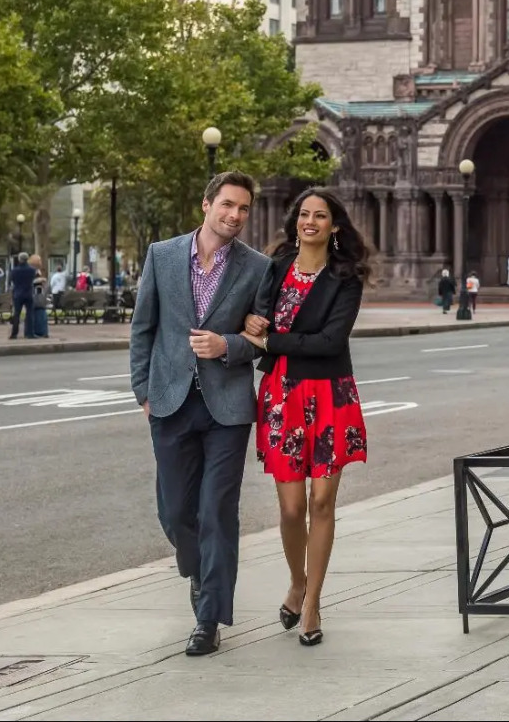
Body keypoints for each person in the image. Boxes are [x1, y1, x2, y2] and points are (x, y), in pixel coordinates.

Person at [128, 172, 272, 657]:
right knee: (175, 513)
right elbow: (143, 327)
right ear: (207, 204)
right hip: (168, 404)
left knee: (216, 512)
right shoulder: (162, 255)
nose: (235, 216)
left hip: (227, 410)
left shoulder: (258, 268)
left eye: (244, 209)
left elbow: (259, 340)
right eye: (228, 205)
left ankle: (208, 618)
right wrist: (141, 390)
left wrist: (226, 345)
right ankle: (195, 567)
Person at [242, 188, 369, 648]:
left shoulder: (346, 276)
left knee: (322, 504)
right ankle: (297, 580)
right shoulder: (275, 268)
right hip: (281, 397)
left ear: (335, 226)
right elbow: (255, 318)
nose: (310, 221)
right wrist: (255, 325)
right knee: (292, 508)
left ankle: (312, 601)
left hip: (330, 395)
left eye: (320, 215)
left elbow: (331, 342)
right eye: (304, 214)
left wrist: (272, 341)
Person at [8, 253, 35, 340]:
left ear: (19, 259)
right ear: (27, 259)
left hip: (18, 293)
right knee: (29, 314)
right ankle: (29, 333)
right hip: (28, 293)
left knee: (17, 314)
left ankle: (14, 333)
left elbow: (11, 280)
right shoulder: (32, 270)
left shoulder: (14, 271)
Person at [27, 255, 49, 339]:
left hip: (39, 294)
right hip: (35, 295)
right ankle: (40, 331)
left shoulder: (37, 271)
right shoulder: (32, 271)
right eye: (39, 261)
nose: (41, 262)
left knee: (39, 312)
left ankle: (42, 331)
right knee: (38, 311)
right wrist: (40, 280)